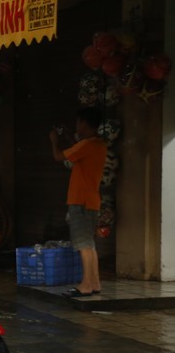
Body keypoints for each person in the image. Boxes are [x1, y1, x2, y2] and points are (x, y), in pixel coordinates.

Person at [49, 107, 107, 297]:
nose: (76, 126)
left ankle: (86, 285)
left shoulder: (86, 145)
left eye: (78, 122)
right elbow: (78, 151)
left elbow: (59, 157)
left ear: (84, 123)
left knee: (83, 245)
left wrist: (54, 141)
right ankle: (94, 282)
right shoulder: (98, 144)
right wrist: (67, 136)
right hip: (91, 200)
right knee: (89, 244)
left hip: (80, 200)